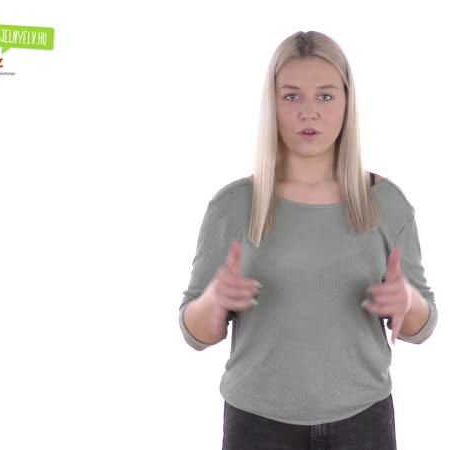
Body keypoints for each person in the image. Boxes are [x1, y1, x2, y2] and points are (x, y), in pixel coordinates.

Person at [179, 30, 437, 450]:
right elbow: (196, 333)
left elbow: (422, 326)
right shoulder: (232, 207)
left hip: (363, 423)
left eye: (326, 96)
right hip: (257, 425)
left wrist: (407, 302)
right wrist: (214, 300)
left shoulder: (386, 204)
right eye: (292, 96)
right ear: (273, 104)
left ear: (347, 103)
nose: (309, 112)